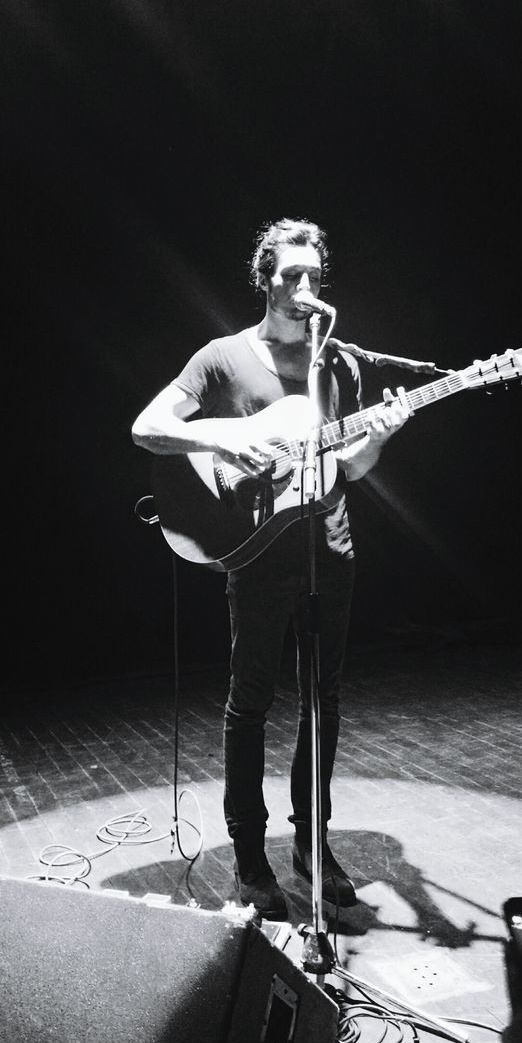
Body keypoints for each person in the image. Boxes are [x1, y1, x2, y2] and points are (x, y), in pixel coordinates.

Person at [131, 217, 411, 920]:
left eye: (313, 276)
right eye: (288, 275)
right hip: (256, 552)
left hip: (330, 544)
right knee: (250, 702)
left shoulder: (338, 362)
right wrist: (229, 439)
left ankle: (310, 845)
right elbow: (148, 428)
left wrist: (378, 438)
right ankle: (250, 860)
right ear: (263, 279)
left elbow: (348, 465)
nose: (302, 289)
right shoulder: (223, 359)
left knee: (325, 700)